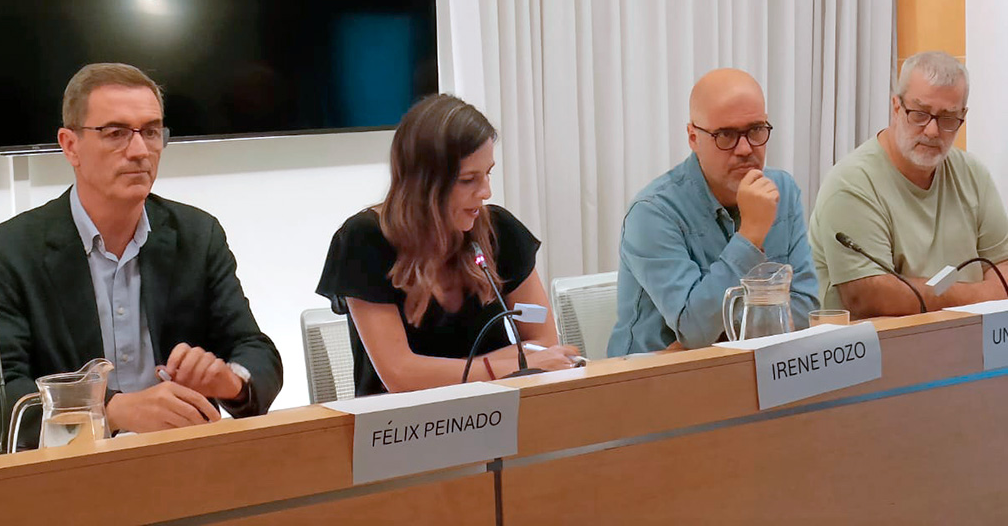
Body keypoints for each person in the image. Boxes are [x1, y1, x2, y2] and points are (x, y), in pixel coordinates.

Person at [0, 63, 282, 447]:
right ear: (70, 145)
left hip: (186, 458)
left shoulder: (196, 235)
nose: (140, 150)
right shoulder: (5, 254)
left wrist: (230, 380)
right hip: (68, 474)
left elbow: (256, 350)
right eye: (116, 133)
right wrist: (113, 410)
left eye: (151, 132)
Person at [316, 94, 578, 396]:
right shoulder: (364, 240)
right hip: (400, 430)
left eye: (488, 173)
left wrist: (452, 372)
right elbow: (401, 377)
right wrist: (504, 365)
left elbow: (543, 343)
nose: (486, 192)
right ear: (424, 182)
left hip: (495, 416)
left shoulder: (499, 230)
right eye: (469, 179)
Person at [607, 68, 819, 356]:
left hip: (758, 372)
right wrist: (750, 234)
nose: (745, 149)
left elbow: (807, 307)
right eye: (726, 135)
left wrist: (717, 335)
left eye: (756, 129)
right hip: (656, 384)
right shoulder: (652, 213)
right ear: (694, 137)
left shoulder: (782, 190)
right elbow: (695, 330)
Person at [809, 51, 1008, 319]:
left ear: (963, 115)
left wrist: (919, 294)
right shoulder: (851, 184)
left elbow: (1004, 278)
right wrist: (980, 295)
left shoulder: (973, 175)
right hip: (879, 354)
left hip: (970, 351)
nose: (932, 131)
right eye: (920, 114)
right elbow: (870, 298)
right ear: (895, 107)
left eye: (948, 119)